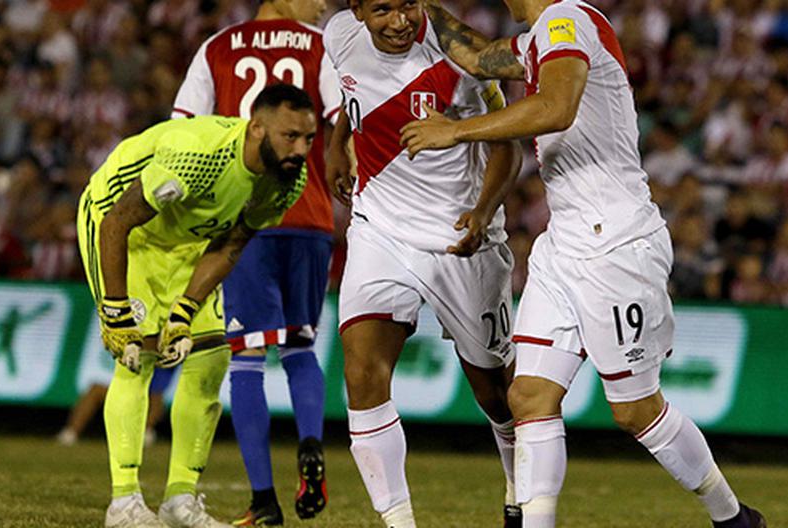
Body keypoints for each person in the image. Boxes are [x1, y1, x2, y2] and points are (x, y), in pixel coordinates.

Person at [400, 1, 767, 527]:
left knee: (636, 412)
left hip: (616, 243)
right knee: (528, 396)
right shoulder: (538, 39)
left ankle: (732, 518)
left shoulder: (567, 18)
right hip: (564, 242)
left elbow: (557, 107)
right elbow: (479, 57)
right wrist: (424, 7)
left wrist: (456, 131)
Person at [76, 84, 316, 528]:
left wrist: (186, 308)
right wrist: (114, 310)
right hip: (128, 231)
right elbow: (116, 223)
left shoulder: (287, 179)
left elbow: (232, 242)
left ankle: (179, 501)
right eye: (290, 137)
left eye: (309, 139)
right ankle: (124, 503)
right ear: (257, 128)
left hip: (189, 240)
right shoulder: (197, 154)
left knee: (209, 358)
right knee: (138, 356)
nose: (300, 150)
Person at [323, 1, 523, 526]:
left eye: (408, 3)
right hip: (379, 230)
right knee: (363, 372)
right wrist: (337, 144)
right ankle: (398, 521)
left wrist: (482, 211)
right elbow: (353, 99)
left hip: (459, 238)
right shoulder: (339, 35)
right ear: (358, 11)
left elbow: (508, 148)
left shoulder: (459, 60)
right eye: (383, 8)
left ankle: (519, 487)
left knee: (497, 392)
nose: (399, 20)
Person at [171, 0, 340, 524]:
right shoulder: (321, 45)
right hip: (311, 215)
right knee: (300, 346)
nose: (324, 5)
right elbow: (342, 121)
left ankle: (263, 501)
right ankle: (311, 443)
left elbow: (181, 131)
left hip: (247, 218)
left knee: (245, 360)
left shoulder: (217, 48)